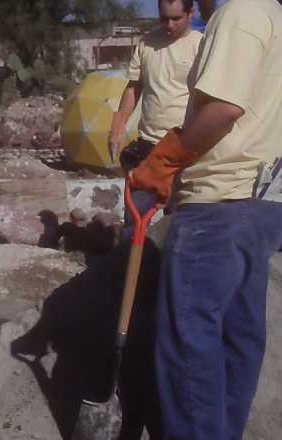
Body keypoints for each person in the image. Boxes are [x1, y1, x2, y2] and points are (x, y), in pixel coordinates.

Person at [129, 0, 282, 438]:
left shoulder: (239, 13)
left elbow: (223, 109)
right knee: (237, 336)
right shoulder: (272, 12)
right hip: (259, 200)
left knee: (189, 342)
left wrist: (164, 161)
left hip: (218, 205)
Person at [109, 0, 201, 211]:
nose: (169, 25)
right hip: (148, 146)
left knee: (179, 218)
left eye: (176, 18)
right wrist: (117, 127)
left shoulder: (202, 45)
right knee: (135, 216)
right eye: (163, 18)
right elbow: (133, 87)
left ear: (191, 13)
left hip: (183, 148)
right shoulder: (146, 44)